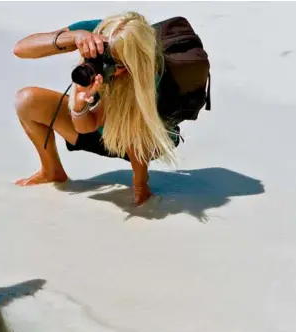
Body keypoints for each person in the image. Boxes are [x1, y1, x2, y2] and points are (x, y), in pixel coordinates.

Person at [13, 11, 182, 206]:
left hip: (142, 139)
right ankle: (51, 171)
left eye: (115, 63)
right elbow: (21, 49)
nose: (104, 67)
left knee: (130, 118)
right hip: (96, 126)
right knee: (27, 101)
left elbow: (137, 136)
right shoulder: (100, 31)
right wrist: (76, 37)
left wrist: (140, 185)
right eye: (102, 58)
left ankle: (140, 183)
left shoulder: (147, 69)